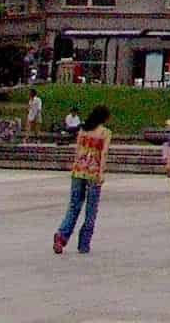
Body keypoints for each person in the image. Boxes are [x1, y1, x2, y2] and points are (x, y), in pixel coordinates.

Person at [52, 104, 113, 255]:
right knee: (91, 209)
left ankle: (62, 235)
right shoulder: (105, 133)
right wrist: (101, 173)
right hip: (93, 172)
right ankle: (84, 243)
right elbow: (104, 154)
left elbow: (78, 150)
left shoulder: (83, 130)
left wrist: (76, 166)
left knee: (74, 205)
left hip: (79, 170)